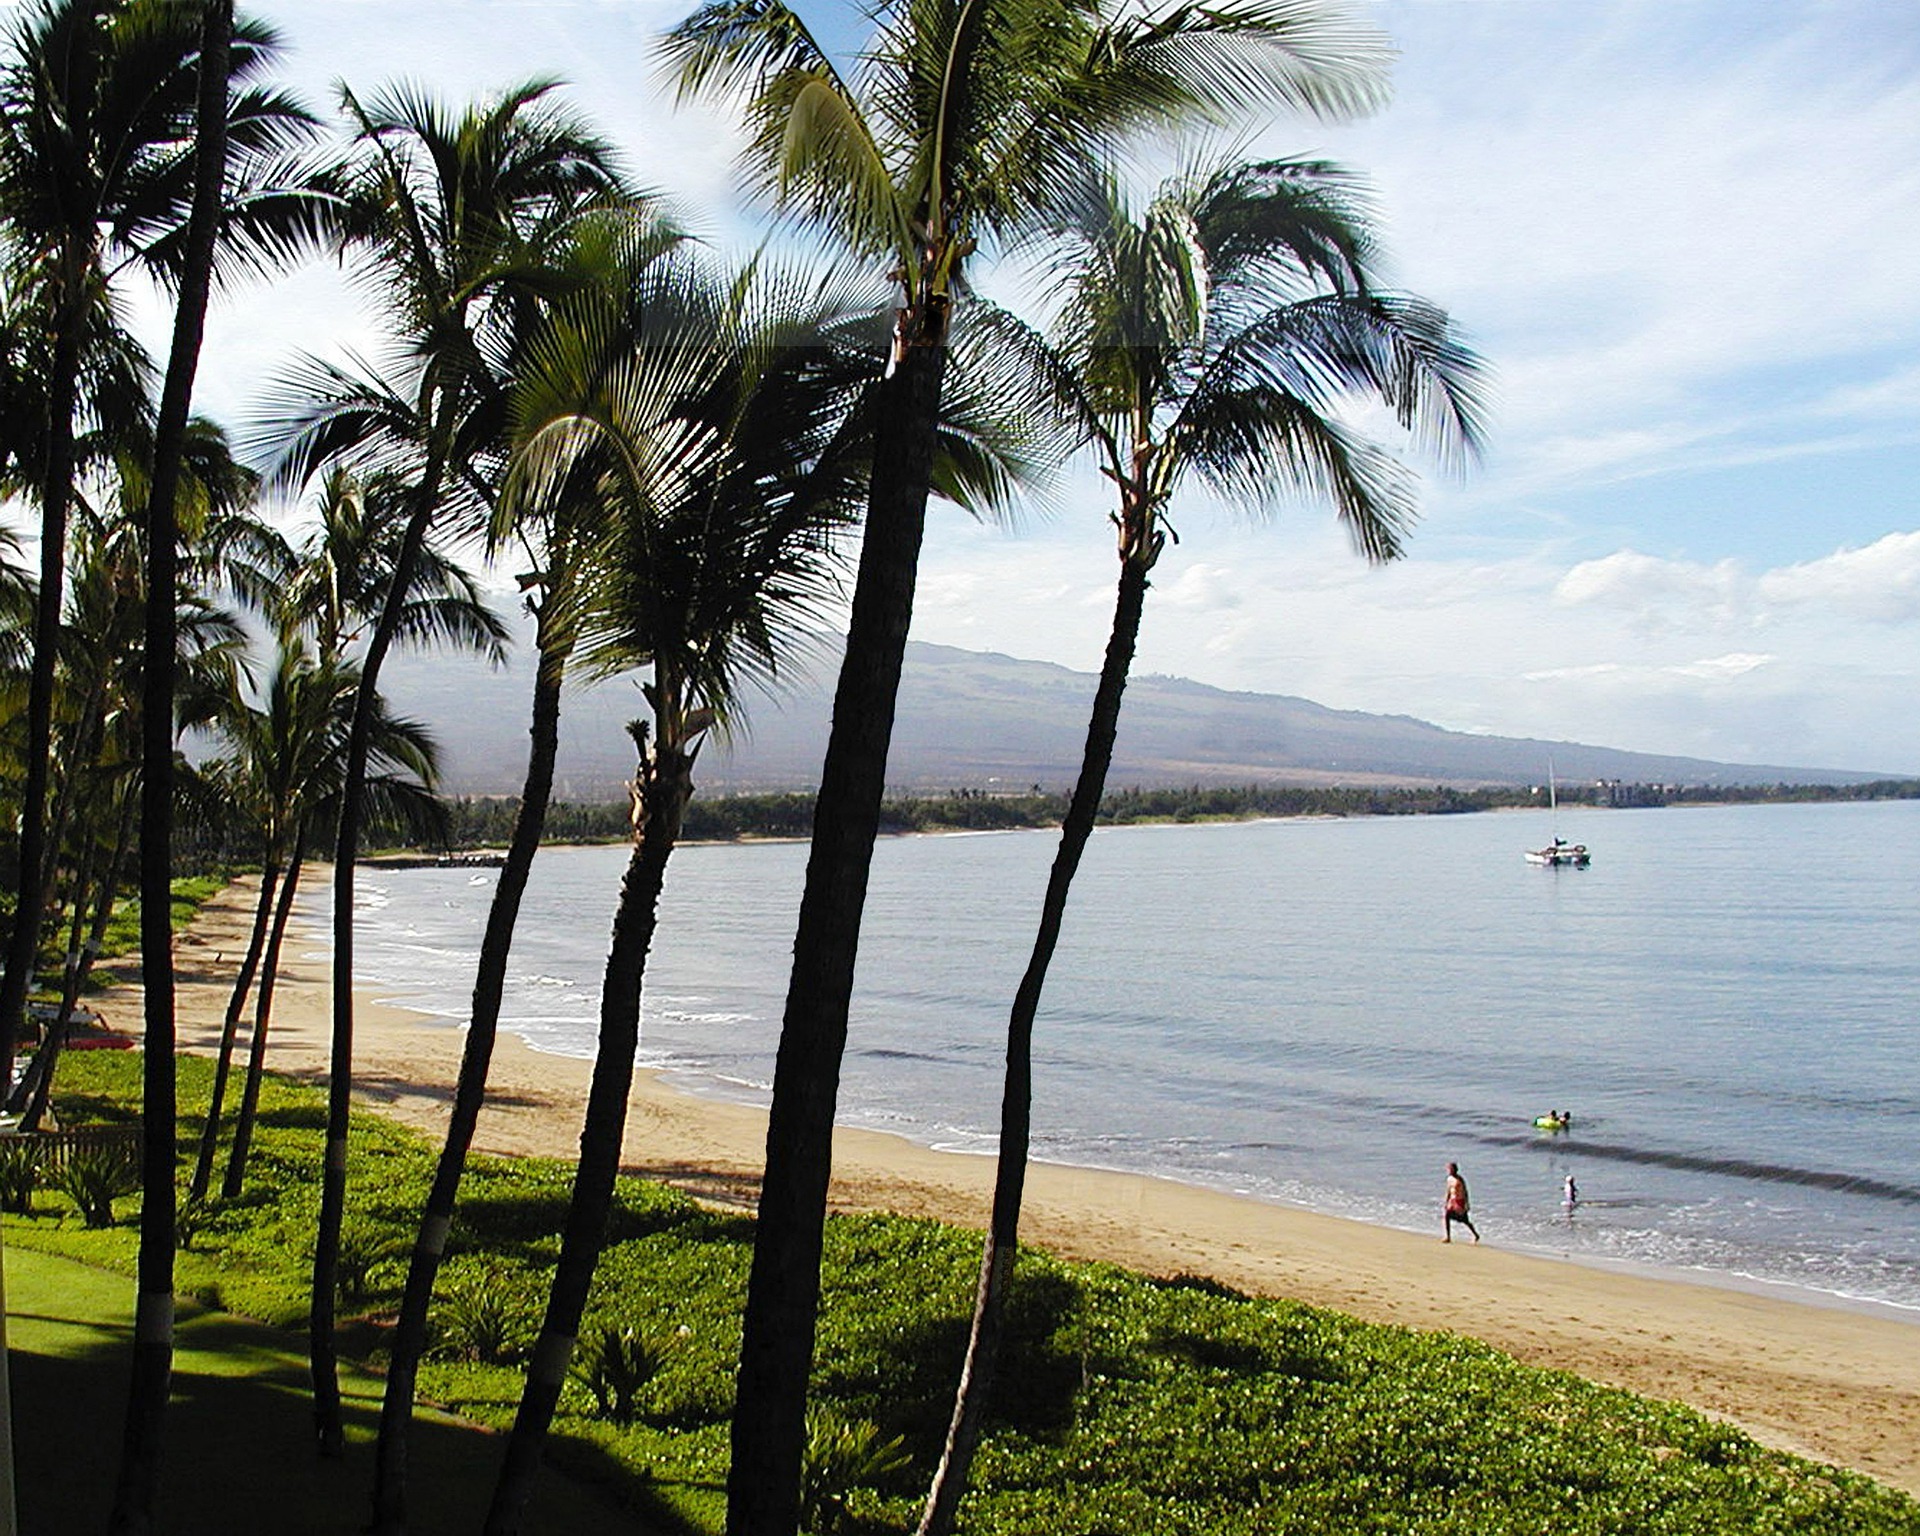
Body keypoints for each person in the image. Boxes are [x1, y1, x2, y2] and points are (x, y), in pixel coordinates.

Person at [1444, 1162, 1479, 1243]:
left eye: (1451, 1169)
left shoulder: (1460, 1179)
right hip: (1452, 1201)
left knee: (1464, 1220)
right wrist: (1446, 1201)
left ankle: (1476, 1234)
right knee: (1447, 1215)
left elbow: (1465, 1191)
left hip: (1460, 1201)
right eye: (1449, 1169)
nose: (1449, 1170)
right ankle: (1448, 1237)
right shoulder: (1449, 1179)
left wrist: (1466, 1203)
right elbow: (1448, 1190)